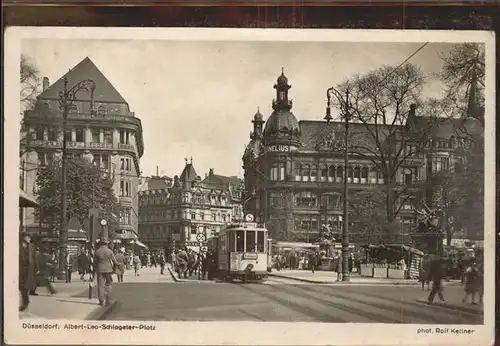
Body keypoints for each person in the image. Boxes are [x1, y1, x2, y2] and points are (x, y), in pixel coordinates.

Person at [94, 239, 119, 306]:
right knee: (108, 284)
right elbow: (114, 261)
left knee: (100, 285)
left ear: (100, 244)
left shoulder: (97, 251)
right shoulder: (109, 251)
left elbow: (95, 262)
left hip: (100, 269)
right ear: (106, 243)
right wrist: (118, 264)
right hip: (108, 270)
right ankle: (108, 299)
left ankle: (101, 300)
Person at [19, 232, 38, 311]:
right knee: (21, 286)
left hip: (29, 269)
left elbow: (34, 258)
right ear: (24, 238)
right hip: (20, 268)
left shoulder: (32, 246)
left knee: (25, 287)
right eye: (28, 237)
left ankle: (25, 302)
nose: (30, 239)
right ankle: (25, 302)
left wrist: (36, 268)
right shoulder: (18, 245)